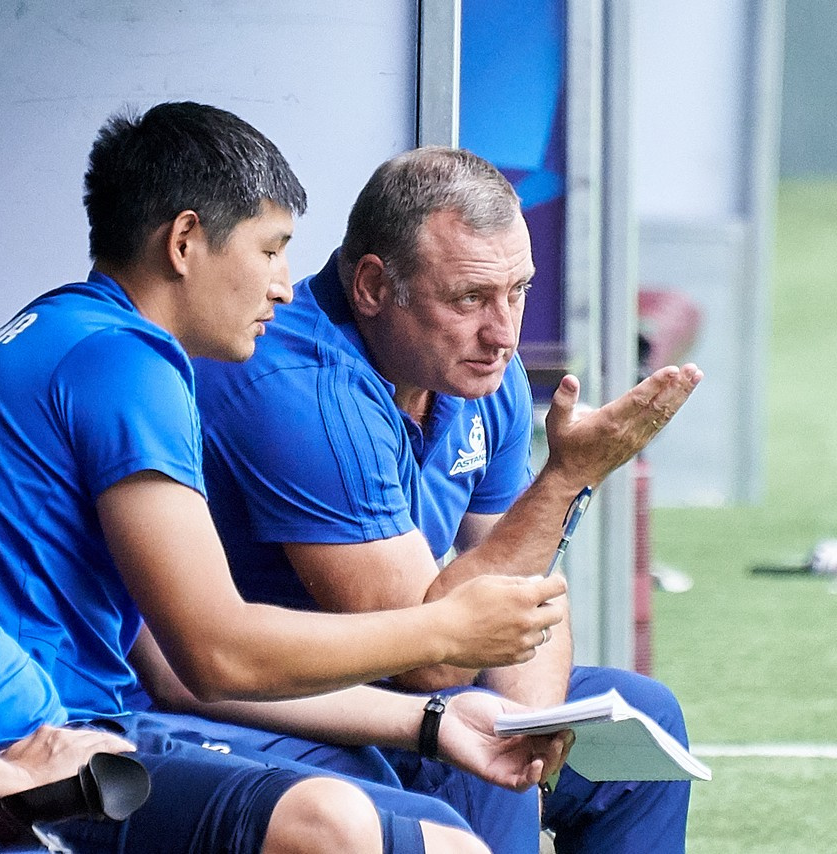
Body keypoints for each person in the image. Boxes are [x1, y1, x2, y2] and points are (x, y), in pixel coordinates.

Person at [0, 131, 540, 854]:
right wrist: (443, 633)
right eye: (271, 249)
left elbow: (175, 667)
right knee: (368, 822)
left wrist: (431, 719)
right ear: (184, 244)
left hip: (73, 730)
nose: (283, 285)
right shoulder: (120, 360)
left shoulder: (78, 345)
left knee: (424, 811)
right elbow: (216, 654)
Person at [191, 146, 704, 853]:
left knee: (643, 718)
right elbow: (428, 660)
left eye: (517, 291)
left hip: (398, 691)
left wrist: (531, 731)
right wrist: (564, 480)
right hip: (267, 709)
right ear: (374, 287)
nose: (504, 333)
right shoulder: (301, 389)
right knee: (469, 733)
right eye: (469, 299)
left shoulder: (476, 372)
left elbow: (525, 593)